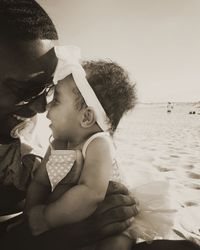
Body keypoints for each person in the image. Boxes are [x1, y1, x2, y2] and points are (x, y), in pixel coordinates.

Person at [0, 1, 199, 250]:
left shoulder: (58, 138)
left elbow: (91, 193)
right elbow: (40, 190)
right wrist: (39, 225)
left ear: (87, 116)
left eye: (48, 92)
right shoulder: (51, 137)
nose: (42, 108)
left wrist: (45, 219)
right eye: (23, 89)